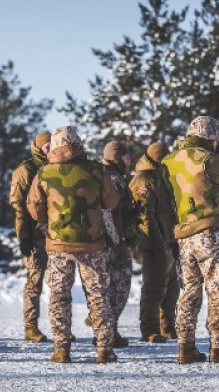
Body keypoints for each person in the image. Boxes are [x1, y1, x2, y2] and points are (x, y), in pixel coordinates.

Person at [27, 125, 120, 364]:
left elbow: (35, 210)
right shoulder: (98, 171)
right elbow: (111, 201)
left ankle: (61, 349)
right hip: (92, 245)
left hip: (58, 246)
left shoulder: (43, 174)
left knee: (59, 296)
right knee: (99, 297)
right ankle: (104, 350)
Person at [161, 116, 219, 364]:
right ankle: (217, 348)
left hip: (184, 235)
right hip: (210, 231)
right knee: (217, 289)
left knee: (188, 292)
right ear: (212, 137)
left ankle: (184, 347)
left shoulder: (170, 160)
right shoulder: (208, 158)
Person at [130, 142, 179, 343]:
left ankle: (167, 326)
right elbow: (144, 217)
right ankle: (149, 329)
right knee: (154, 288)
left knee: (171, 288)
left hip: (168, 239)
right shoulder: (144, 179)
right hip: (153, 243)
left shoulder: (161, 177)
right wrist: (157, 244)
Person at [10, 131, 53, 343]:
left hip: (55, 236)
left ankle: (59, 325)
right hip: (34, 235)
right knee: (34, 282)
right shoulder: (25, 171)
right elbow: (18, 206)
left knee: (59, 283)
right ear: (38, 148)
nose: (51, 150)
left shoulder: (55, 168)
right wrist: (23, 236)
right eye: (47, 147)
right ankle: (30, 326)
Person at [97, 140, 137, 348]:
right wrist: (118, 241)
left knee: (108, 287)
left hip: (106, 240)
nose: (128, 161)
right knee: (119, 286)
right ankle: (106, 331)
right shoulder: (112, 177)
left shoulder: (108, 174)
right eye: (125, 157)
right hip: (111, 242)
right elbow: (108, 213)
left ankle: (107, 330)